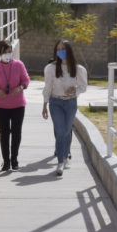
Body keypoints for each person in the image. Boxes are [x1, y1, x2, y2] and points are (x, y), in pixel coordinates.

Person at [42, 39, 87, 176]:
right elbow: (47, 87)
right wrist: (44, 105)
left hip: (70, 103)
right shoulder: (50, 68)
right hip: (55, 103)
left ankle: (66, 155)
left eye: (63, 49)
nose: (60, 51)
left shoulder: (79, 69)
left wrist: (74, 90)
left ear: (69, 51)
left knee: (67, 131)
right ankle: (60, 162)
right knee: (60, 131)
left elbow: (83, 87)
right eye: (58, 49)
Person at [0, 40, 30, 171]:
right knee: (4, 133)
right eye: (5, 52)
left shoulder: (19, 64)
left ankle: (14, 160)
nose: (8, 54)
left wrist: (21, 87)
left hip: (18, 105)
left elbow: (26, 80)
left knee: (16, 132)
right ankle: (6, 161)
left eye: (10, 52)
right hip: (0, 107)